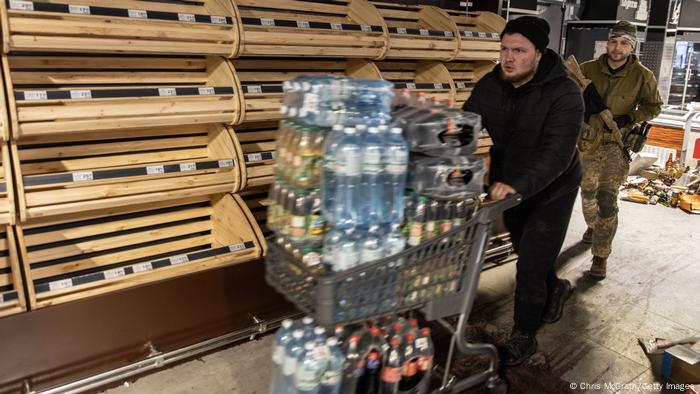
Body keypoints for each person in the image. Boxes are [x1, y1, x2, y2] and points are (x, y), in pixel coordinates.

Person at [463, 16, 584, 366]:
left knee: (530, 263)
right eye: (504, 49)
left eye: (519, 50)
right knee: (527, 250)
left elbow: (557, 154)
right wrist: (434, 128)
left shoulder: (565, 93)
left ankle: (524, 336)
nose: (509, 58)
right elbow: (467, 123)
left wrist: (518, 184)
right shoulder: (491, 85)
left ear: (538, 54)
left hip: (553, 188)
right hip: (511, 183)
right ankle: (555, 288)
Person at [579, 21, 662, 279]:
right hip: (588, 144)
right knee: (587, 193)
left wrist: (630, 118)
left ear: (632, 47)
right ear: (608, 43)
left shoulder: (642, 75)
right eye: (614, 42)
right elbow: (567, 98)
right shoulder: (586, 69)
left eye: (624, 43)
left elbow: (654, 106)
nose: (617, 48)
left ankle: (600, 255)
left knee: (607, 199)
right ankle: (594, 226)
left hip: (616, 145)